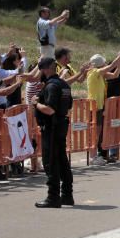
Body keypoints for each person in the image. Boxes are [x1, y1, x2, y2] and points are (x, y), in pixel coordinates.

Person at [32, 57, 74, 208]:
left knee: (50, 162)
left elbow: (49, 110)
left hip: (52, 127)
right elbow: (69, 106)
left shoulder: (51, 86)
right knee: (62, 160)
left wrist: (36, 103)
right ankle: (67, 195)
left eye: (41, 69)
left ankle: (53, 197)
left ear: (47, 69)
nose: (40, 73)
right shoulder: (64, 85)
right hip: (61, 125)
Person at [86, 49, 120, 165]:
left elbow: (115, 75)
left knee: (98, 133)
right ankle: (93, 156)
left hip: (99, 106)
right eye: (104, 63)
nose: (105, 64)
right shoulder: (94, 72)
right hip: (94, 107)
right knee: (95, 133)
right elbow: (111, 66)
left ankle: (95, 155)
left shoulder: (100, 75)